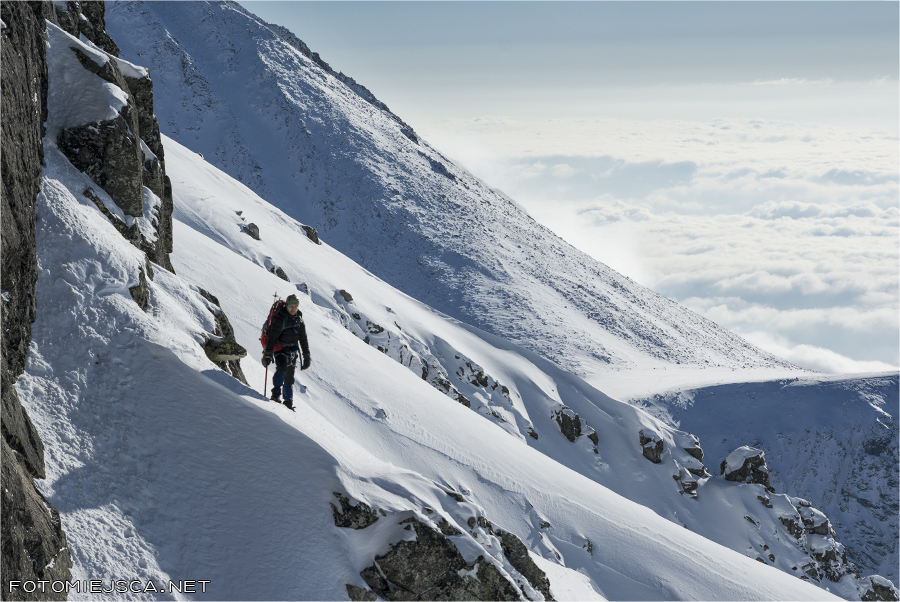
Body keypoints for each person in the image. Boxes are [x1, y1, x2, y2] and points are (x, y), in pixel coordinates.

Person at [262, 294, 310, 409]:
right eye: (290, 306)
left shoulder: (299, 320)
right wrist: (267, 353)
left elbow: (303, 339)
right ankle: (276, 394)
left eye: (295, 306)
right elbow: (273, 337)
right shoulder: (280, 318)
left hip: (292, 351)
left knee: (290, 376)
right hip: (280, 349)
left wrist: (307, 356)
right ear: (286, 306)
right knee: (282, 367)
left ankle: (288, 402)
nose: (293, 308)